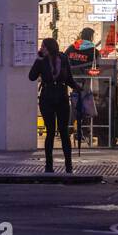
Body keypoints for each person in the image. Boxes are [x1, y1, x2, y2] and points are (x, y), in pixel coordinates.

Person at [29, 37, 80, 174]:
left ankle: (68, 166)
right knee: (50, 131)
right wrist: (38, 59)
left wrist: (77, 88)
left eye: (43, 46)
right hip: (47, 97)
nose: (41, 48)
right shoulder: (41, 61)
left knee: (64, 132)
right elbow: (32, 77)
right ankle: (48, 166)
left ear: (50, 47)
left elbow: (68, 78)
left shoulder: (63, 58)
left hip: (62, 97)